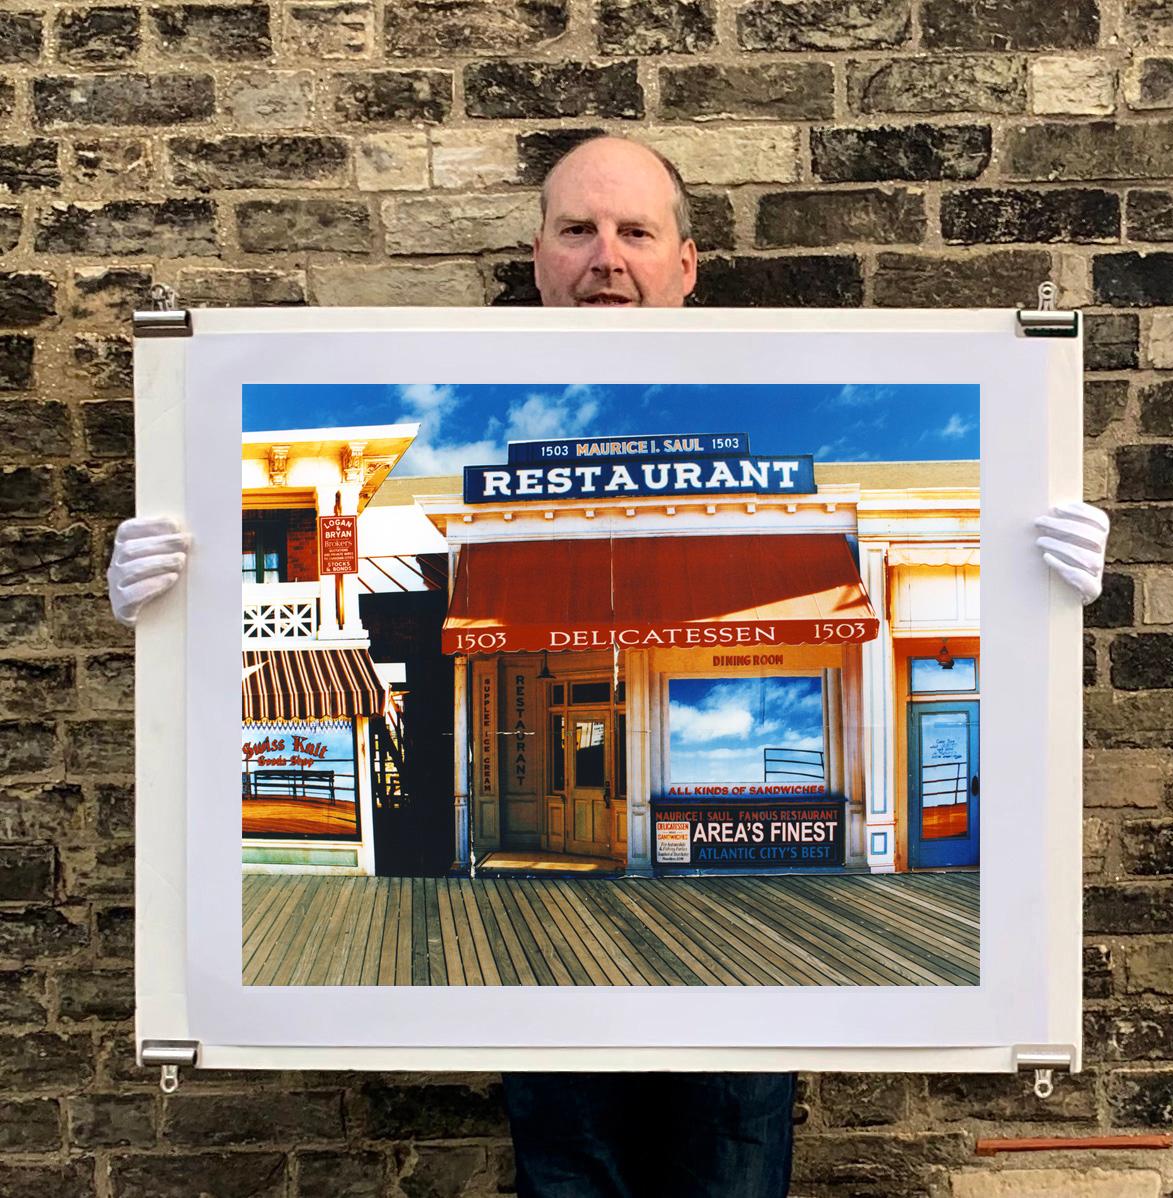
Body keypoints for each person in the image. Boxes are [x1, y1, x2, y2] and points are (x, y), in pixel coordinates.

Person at [109, 135, 1110, 1197]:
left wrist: (1035, 593)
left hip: (753, 973)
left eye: (635, 231)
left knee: (731, 1170)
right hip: (545, 989)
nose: (606, 257)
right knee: (567, 1171)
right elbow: (232, 645)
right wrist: (182, 609)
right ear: (536, 255)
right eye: (579, 230)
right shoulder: (457, 425)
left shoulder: (783, 384)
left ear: (687, 262)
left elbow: (1011, 662)